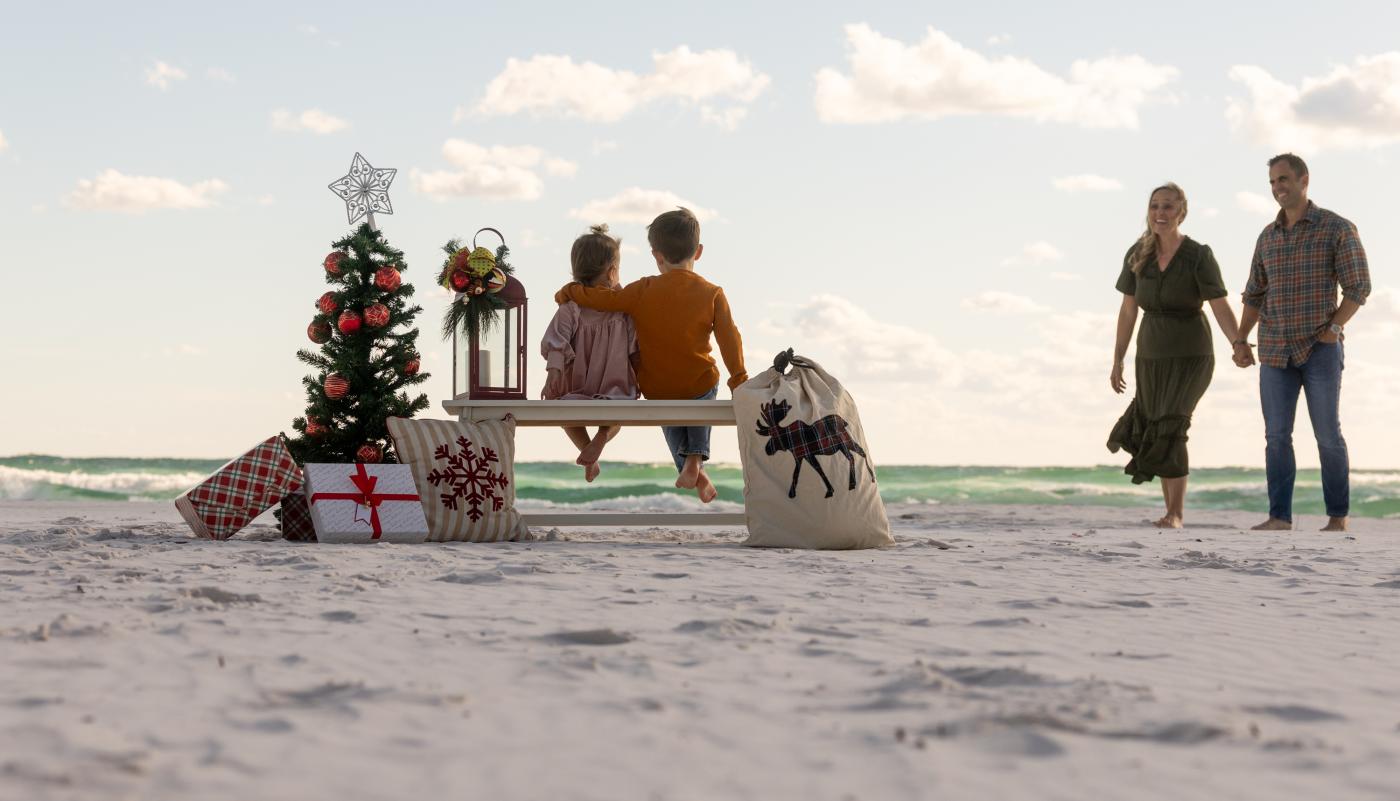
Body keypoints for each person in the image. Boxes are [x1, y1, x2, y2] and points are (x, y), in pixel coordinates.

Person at [554, 207, 747, 504]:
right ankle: (695, 461)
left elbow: (606, 300)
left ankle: (693, 470)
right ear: (698, 252)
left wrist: (571, 291)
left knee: (670, 420)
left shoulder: (643, 289)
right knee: (704, 393)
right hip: (698, 382)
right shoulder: (712, 293)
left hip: (657, 388)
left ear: (656, 255)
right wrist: (739, 380)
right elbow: (729, 339)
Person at [1234, 153, 1371, 532]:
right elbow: (1253, 295)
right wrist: (1241, 339)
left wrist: (1336, 328)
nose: (1278, 188)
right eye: (1273, 183)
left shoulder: (1336, 227)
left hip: (1319, 348)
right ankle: (1280, 516)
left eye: (1284, 180)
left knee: (1327, 434)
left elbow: (1359, 287)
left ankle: (1337, 517)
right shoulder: (1267, 236)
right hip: (1275, 349)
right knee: (1276, 436)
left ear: (1303, 180)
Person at [1107, 182, 1244, 528]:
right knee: (1156, 423)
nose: (1160, 213)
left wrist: (1238, 342)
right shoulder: (1138, 253)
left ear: (1181, 212)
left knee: (1173, 422)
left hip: (1190, 353)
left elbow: (1219, 303)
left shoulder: (1199, 255)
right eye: (1155, 206)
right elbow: (1127, 311)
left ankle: (1176, 514)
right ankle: (1169, 511)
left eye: (1168, 207)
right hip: (1150, 353)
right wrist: (1118, 358)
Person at [540, 224, 640, 483]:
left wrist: (553, 374)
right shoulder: (623, 309)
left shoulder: (569, 307)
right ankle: (601, 438)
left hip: (578, 385)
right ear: (612, 271)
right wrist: (642, 378)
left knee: (563, 409)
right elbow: (635, 349)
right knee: (622, 406)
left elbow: (556, 342)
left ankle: (588, 451)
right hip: (614, 384)